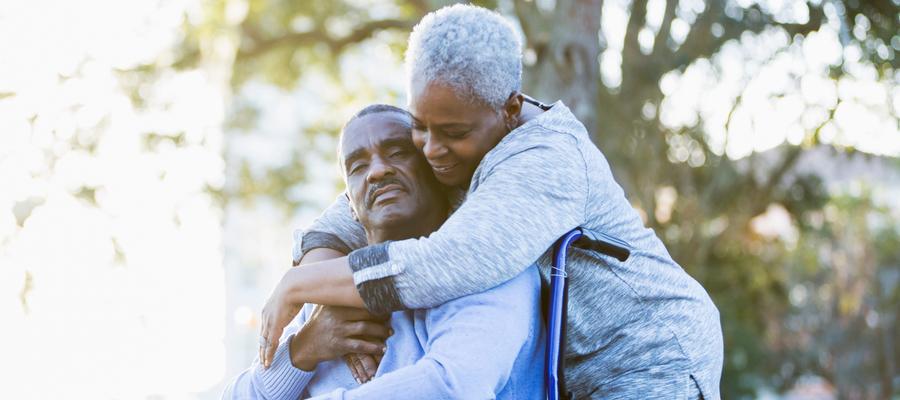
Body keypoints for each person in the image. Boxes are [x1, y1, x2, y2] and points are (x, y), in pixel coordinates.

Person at [261, 5, 724, 399]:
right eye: (419, 127)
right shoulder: (453, 145)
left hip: (651, 356)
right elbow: (347, 212)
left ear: (509, 108)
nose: (431, 150)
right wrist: (314, 285)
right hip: (574, 370)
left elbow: (442, 265)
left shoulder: (545, 160)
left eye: (453, 134)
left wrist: (300, 287)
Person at [225, 105, 545, 399]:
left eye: (396, 152)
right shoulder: (328, 291)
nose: (377, 171)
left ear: (437, 171)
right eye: (358, 165)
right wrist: (305, 348)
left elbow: (452, 387)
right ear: (349, 206)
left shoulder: (485, 259)